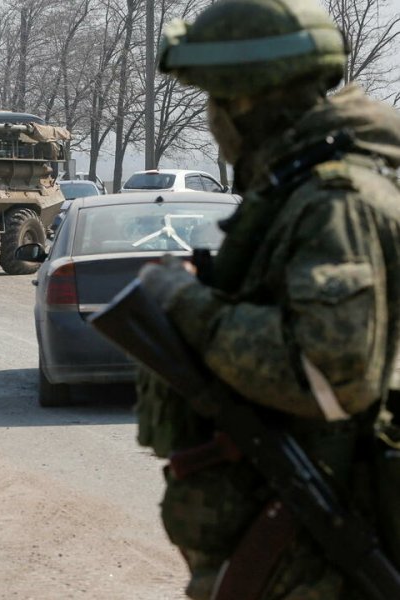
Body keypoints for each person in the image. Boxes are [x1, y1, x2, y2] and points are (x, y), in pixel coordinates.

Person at [132, 0, 400, 597]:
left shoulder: (334, 203)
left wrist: (184, 302)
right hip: (292, 551)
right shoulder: (293, 192)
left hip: (320, 558)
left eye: (214, 101)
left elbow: (329, 376)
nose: (210, 120)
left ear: (247, 101)